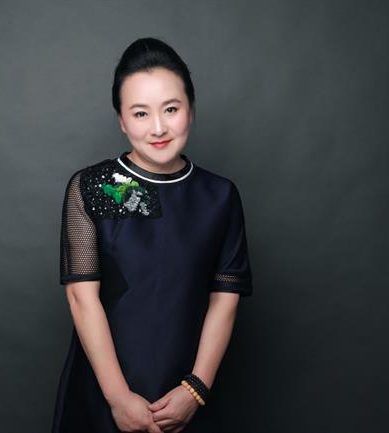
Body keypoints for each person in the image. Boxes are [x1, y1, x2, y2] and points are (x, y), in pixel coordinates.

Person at [52, 37, 253, 433]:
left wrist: (195, 389)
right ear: (122, 120)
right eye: (140, 113)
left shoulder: (219, 196)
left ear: (191, 109)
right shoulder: (92, 186)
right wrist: (119, 398)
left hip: (189, 390)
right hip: (105, 390)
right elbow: (81, 297)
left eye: (171, 109)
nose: (158, 127)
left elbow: (224, 300)